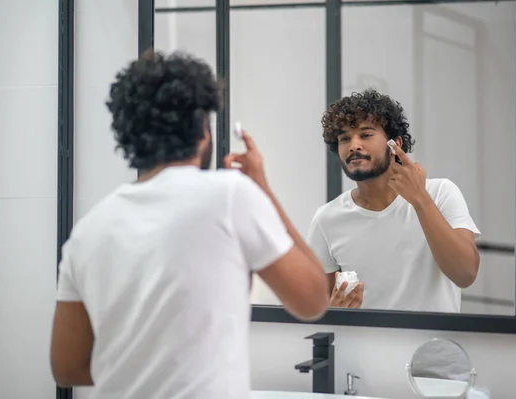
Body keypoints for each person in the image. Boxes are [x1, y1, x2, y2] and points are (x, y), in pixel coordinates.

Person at [49, 50, 329, 399]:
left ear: (128, 135)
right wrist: (263, 189)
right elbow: (313, 299)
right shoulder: (229, 196)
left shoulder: (88, 230)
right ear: (202, 131)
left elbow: (66, 365)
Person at [306, 89, 481, 313]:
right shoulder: (327, 218)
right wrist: (334, 311)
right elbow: (318, 306)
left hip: (431, 346)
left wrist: (419, 199)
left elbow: (465, 274)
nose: (353, 145)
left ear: (395, 143)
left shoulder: (440, 193)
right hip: (364, 346)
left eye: (366, 135)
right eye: (344, 138)